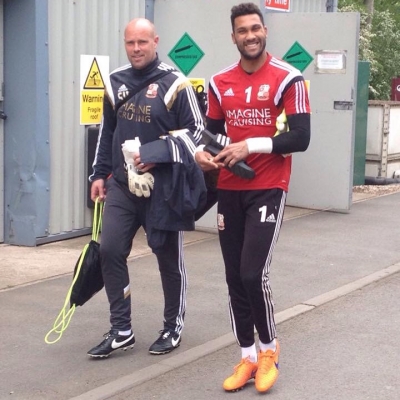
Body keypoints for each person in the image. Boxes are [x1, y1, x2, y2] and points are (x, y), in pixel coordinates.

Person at [195, 2, 311, 393]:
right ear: (233, 37)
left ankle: (269, 352)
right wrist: (204, 157)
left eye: (256, 28)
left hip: (268, 187)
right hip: (230, 189)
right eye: (242, 30)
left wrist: (250, 146)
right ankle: (246, 356)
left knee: (252, 273)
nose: (250, 35)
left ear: (265, 32)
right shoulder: (218, 82)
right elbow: (208, 134)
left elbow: (301, 137)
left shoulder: (288, 79)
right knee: (232, 278)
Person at [88, 18, 205, 358]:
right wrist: (99, 174)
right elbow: (106, 132)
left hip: (164, 188)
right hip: (123, 185)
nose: (136, 48)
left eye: (143, 42)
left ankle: (172, 327)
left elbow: (196, 132)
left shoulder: (175, 83)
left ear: (155, 41)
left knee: (168, 260)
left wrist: (156, 153)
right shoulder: (114, 82)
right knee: (110, 250)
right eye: (130, 43)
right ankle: (121, 329)